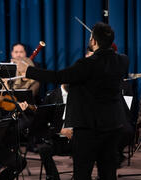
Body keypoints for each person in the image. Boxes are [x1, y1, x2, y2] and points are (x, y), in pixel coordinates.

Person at [14, 22, 129, 180]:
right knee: (108, 172)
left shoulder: (86, 64)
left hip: (88, 128)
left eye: (90, 37)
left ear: (94, 41)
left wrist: (27, 70)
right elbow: (110, 55)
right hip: (113, 126)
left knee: (82, 173)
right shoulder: (122, 61)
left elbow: (58, 77)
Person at [35, 84, 72, 180]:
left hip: (76, 137)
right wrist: (59, 130)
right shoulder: (51, 96)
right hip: (56, 138)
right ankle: (53, 177)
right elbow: (42, 122)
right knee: (43, 148)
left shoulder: (80, 95)